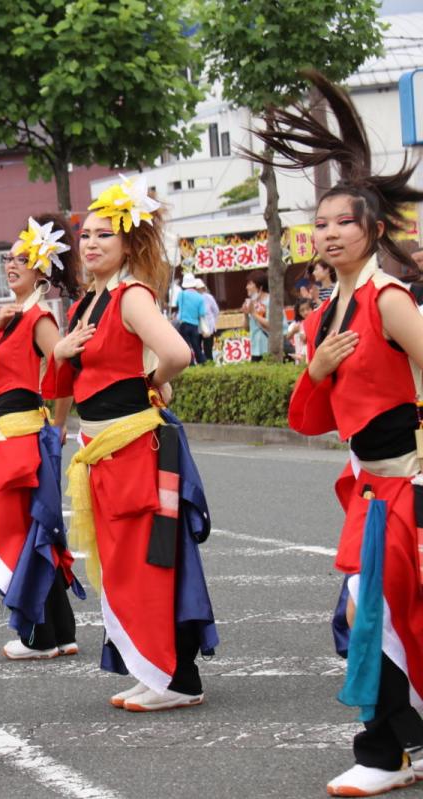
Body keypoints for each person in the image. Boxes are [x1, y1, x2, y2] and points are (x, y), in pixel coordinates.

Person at [252, 70, 423, 797]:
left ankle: (383, 752)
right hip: (367, 487)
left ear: (372, 229)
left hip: (405, 483)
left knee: (374, 613)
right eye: (318, 224)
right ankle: (393, 746)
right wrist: (316, 367)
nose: (326, 233)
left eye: (341, 223)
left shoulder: (385, 297)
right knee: (378, 614)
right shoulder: (328, 310)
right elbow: (307, 420)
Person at [48, 175, 217, 713]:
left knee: (149, 562)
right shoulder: (84, 306)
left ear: (129, 244)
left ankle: (175, 675)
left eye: (104, 235)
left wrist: (153, 380)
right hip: (102, 450)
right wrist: (61, 353)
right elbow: (64, 385)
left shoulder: (130, 295)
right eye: (85, 235)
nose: (91, 243)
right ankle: (153, 668)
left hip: (135, 447)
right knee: (121, 564)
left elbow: (178, 353)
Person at [0, 216, 83, 659]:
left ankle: (39, 636)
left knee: (17, 532)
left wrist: (58, 424)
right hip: (9, 435)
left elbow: (62, 364)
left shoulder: (36, 316)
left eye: (20, 259)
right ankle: (60, 632)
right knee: (36, 531)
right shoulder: (15, 316)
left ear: (40, 267)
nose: (10, 265)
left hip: (21, 437)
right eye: (7, 258)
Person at [175, 273, 206, 364]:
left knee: (186, 346)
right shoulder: (200, 297)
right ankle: (202, 362)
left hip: (183, 323)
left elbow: (177, 305)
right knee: (196, 346)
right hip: (194, 325)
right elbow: (202, 313)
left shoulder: (181, 295)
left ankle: (190, 363)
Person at [243, 271, 272, 362]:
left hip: (268, 347)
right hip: (255, 349)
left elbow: (271, 325)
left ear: (260, 286)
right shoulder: (251, 302)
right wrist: (245, 315)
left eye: (250, 284)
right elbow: (247, 328)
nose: (246, 287)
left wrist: (253, 313)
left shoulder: (270, 301)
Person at [197, 279, 220, 363]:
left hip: (208, 327)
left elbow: (216, 311)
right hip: (198, 327)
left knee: (208, 349)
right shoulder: (195, 298)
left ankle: (209, 365)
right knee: (199, 349)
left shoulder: (208, 297)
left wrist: (213, 322)